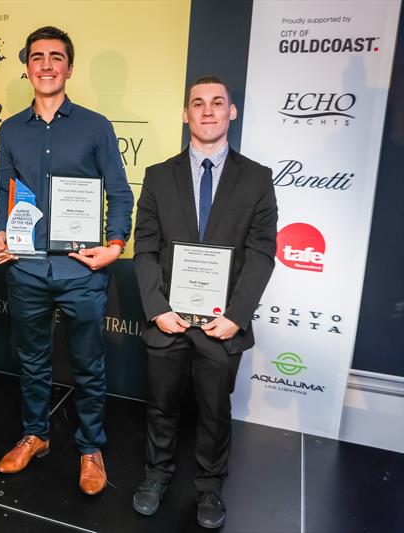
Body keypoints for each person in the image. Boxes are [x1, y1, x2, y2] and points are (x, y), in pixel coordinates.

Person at [0, 26, 134, 496]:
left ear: (69, 68)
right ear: (27, 67)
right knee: (31, 359)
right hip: (26, 267)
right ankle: (37, 435)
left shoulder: (96, 126)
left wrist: (114, 244)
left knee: (88, 363)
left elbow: (120, 192)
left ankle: (91, 447)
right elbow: (3, 195)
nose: (46, 65)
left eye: (55, 57)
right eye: (37, 57)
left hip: (81, 269)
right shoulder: (10, 129)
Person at [132, 76, 278, 528]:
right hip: (169, 319)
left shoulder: (256, 178)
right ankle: (156, 474)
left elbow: (261, 253)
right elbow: (146, 248)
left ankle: (210, 486)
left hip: (221, 324)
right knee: (161, 405)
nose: (208, 111)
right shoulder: (158, 177)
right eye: (198, 103)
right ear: (185, 114)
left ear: (231, 112)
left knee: (215, 410)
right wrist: (158, 308)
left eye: (218, 103)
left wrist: (236, 317)